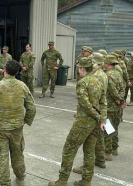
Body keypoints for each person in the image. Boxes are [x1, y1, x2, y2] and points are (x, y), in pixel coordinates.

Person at [49, 57, 106, 186]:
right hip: (95, 123)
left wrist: (96, 115)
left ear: (82, 68)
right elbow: (103, 103)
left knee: (69, 148)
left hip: (84, 122)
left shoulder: (83, 82)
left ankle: (62, 180)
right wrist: (101, 118)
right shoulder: (98, 81)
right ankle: (86, 180)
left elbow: (84, 103)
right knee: (89, 151)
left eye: (79, 68)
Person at [0, 60, 36, 186]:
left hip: (0, 130)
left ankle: (5, 183)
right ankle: (21, 179)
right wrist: (26, 120)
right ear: (16, 72)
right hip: (17, 128)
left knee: (2, 158)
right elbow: (32, 107)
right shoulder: (22, 86)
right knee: (18, 155)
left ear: (4, 70)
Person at [72, 53, 108, 175]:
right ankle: (101, 159)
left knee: (89, 144)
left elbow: (89, 100)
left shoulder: (95, 76)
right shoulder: (102, 74)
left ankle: (101, 158)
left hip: (92, 115)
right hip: (100, 112)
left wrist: (98, 116)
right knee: (97, 139)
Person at [103, 55, 125, 161]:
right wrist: (121, 100)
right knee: (115, 127)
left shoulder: (107, 75)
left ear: (107, 63)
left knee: (108, 128)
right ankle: (114, 148)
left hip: (109, 106)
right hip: (116, 106)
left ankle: (107, 153)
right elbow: (122, 87)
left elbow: (111, 89)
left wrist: (117, 98)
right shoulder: (118, 74)